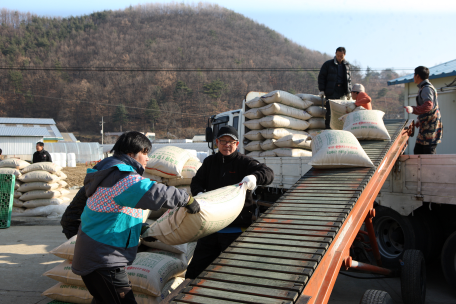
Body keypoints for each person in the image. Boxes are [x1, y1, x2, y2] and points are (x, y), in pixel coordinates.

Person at [71, 131, 200, 304]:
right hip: (103, 260)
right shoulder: (122, 177)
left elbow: (114, 214)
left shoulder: (107, 174)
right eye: (145, 153)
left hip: (95, 255)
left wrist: (140, 228)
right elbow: (155, 192)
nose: (147, 159)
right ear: (131, 154)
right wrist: (187, 199)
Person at [185, 125, 274, 279]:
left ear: (237, 144)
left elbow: (268, 173)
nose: (227, 145)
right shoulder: (210, 162)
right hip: (211, 227)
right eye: (223, 141)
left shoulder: (244, 162)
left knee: (233, 274)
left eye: (231, 142)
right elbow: (196, 181)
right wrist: (199, 194)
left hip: (235, 229)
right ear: (217, 143)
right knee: (195, 271)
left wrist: (254, 178)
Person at [404, 66, 443, 155]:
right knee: (418, 151)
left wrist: (413, 109)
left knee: (428, 155)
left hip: (430, 129)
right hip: (426, 127)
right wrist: (419, 118)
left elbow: (428, 106)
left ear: (417, 75)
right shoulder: (425, 87)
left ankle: (430, 169)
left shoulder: (426, 88)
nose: (413, 77)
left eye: (414, 75)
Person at [318, 47, 352, 129]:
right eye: (338, 55)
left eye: (341, 56)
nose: (339, 57)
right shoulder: (328, 64)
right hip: (331, 90)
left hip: (342, 91)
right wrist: (322, 90)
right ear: (335, 54)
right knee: (330, 110)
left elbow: (349, 80)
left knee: (342, 111)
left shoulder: (347, 65)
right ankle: (328, 128)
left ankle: (341, 129)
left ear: (345, 55)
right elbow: (321, 77)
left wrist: (348, 91)